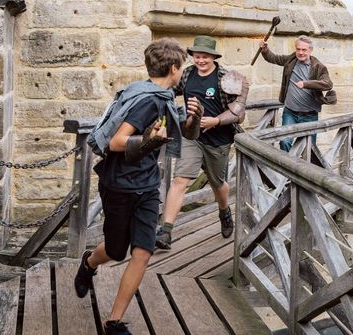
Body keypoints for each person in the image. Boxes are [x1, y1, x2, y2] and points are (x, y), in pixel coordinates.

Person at [74, 39, 203, 335]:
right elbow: (117, 142)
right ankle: (90, 262)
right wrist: (150, 142)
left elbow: (185, 133)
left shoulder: (165, 97)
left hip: (146, 184)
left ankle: (114, 322)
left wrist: (193, 119)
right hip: (119, 184)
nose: (183, 73)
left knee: (143, 252)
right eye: (182, 67)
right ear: (173, 68)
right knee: (117, 251)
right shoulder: (148, 99)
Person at [155, 35, 248, 250]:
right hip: (191, 136)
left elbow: (239, 112)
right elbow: (170, 90)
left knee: (218, 183)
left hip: (218, 140)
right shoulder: (187, 74)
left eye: (205, 57)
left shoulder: (225, 77)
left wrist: (216, 121)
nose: (200, 61)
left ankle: (224, 213)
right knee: (180, 179)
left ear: (213, 57)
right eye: (197, 56)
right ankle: (165, 231)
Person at [259, 34, 334, 152]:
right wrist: (265, 50)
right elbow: (274, 58)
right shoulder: (291, 60)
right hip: (290, 112)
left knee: (308, 149)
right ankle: (286, 168)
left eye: (304, 50)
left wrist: (306, 84)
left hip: (309, 116)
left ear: (310, 50)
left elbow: (328, 84)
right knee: (284, 142)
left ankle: (304, 170)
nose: (301, 52)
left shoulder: (318, 67)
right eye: (298, 49)